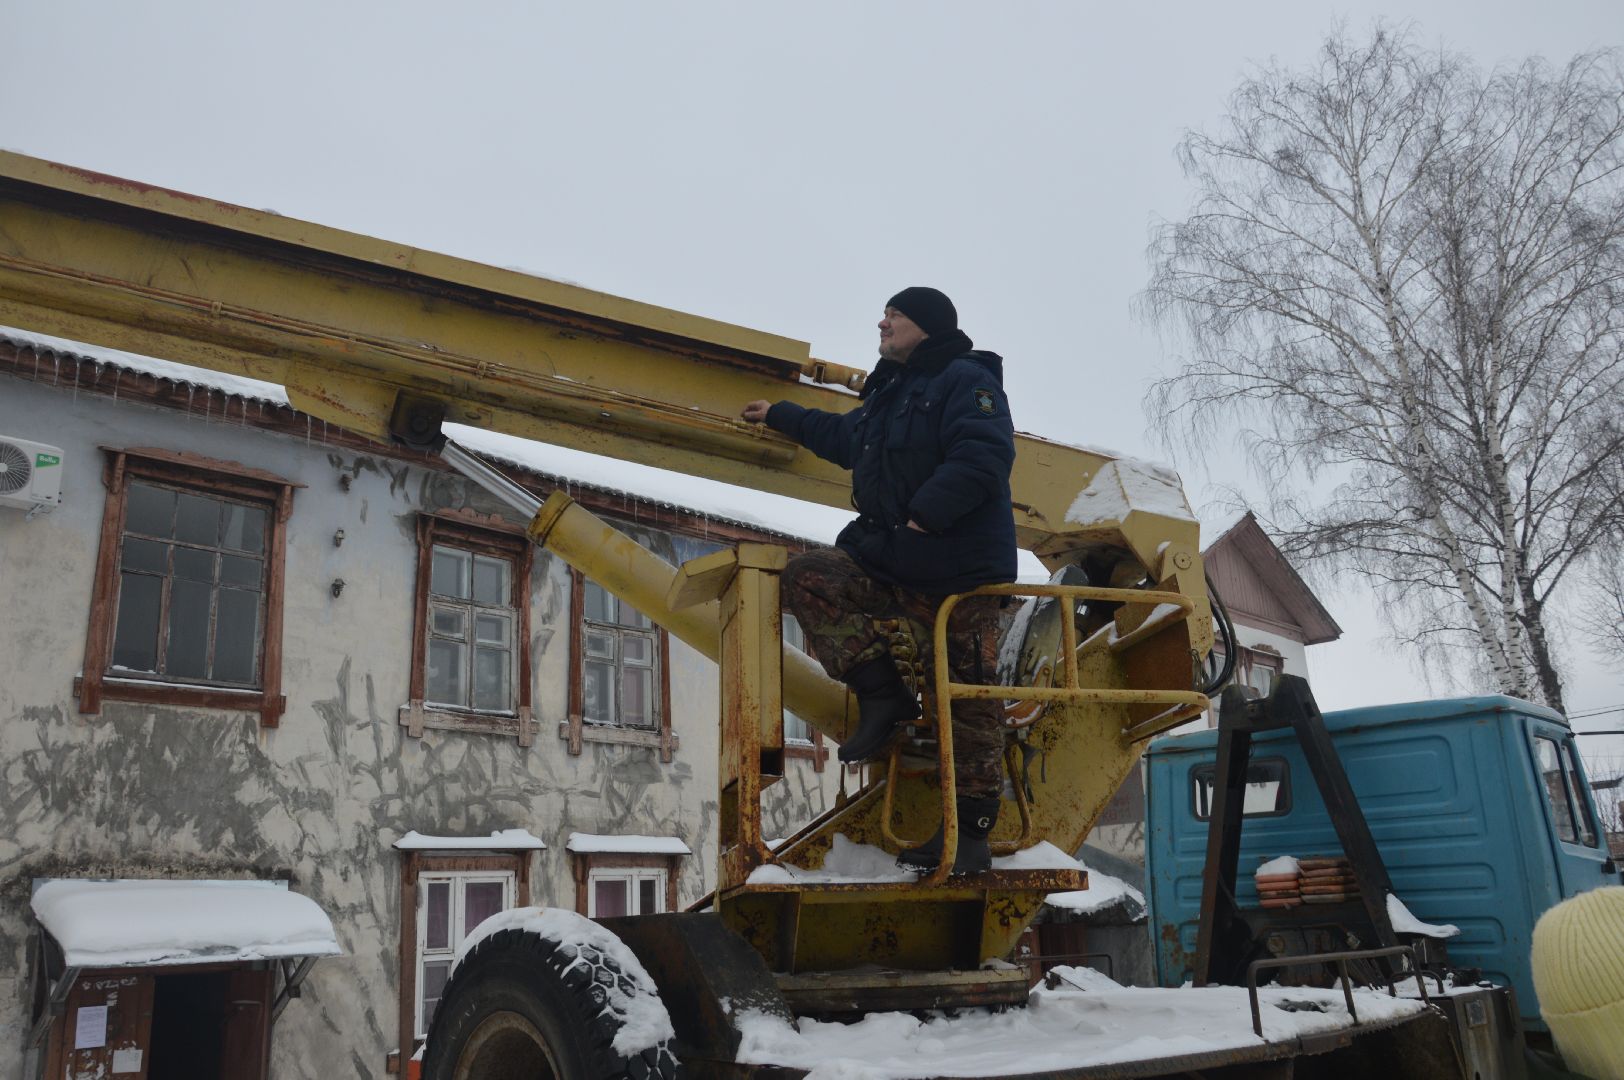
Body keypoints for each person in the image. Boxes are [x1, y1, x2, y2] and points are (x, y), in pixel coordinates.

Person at [740, 287, 1017, 874]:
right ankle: (882, 693)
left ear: (925, 324)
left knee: (965, 706)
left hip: (958, 577)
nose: (881, 324)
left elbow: (983, 455)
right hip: (898, 563)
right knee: (811, 577)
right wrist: (781, 415)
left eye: (892, 316)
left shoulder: (967, 380)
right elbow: (844, 438)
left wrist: (924, 516)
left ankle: (968, 840)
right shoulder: (891, 393)